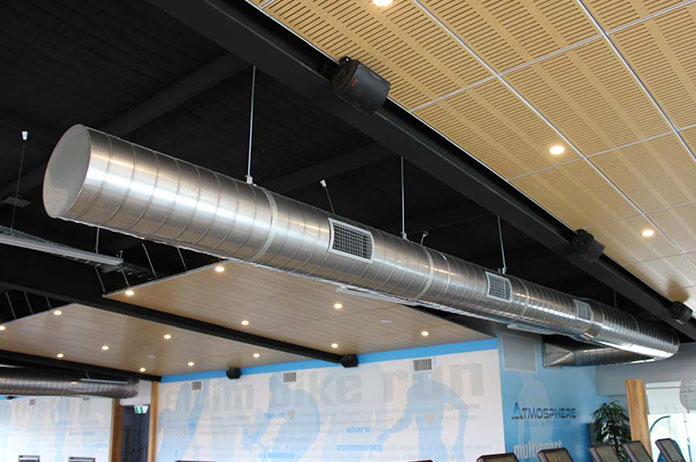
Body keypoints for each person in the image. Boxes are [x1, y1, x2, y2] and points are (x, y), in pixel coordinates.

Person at [377, 370, 468, 461]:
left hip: (437, 449)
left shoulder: (440, 389)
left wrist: (459, 441)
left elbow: (463, 407)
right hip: (424, 449)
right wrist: (389, 431)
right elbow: (406, 420)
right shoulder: (413, 391)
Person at [243, 374, 320, 461]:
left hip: (309, 425)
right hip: (292, 423)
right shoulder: (274, 401)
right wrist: (254, 438)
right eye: (275, 391)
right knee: (277, 445)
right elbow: (265, 424)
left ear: (286, 387)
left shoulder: (299, 396)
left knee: (294, 452)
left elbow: (311, 426)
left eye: (283, 388)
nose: (280, 393)